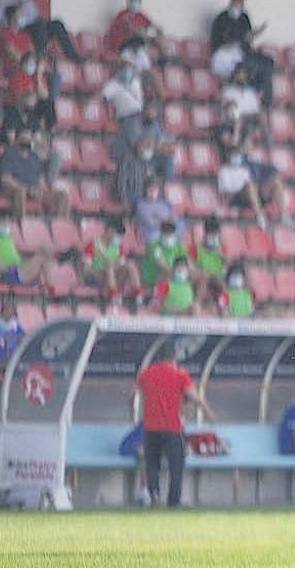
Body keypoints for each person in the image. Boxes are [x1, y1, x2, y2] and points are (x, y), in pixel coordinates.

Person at [134, 345, 216, 508]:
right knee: (176, 466)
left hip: (151, 427)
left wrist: (134, 414)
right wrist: (209, 413)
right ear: (174, 358)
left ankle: (154, 496)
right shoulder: (180, 375)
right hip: (173, 427)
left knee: (152, 465)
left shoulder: (146, 374)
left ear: (158, 358)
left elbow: (132, 395)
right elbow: (194, 397)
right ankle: (174, 502)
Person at [0, 210, 60, 292]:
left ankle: (49, 285)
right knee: (41, 258)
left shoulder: (9, 238)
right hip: (6, 274)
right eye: (4, 222)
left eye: (8, 222)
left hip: (19, 270)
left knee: (44, 250)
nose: (6, 224)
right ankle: (50, 287)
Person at [81, 217, 144, 307]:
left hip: (114, 277)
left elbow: (122, 265)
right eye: (118, 235)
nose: (119, 239)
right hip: (97, 277)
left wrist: (114, 266)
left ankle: (138, 295)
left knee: (130, 265)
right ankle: (113, 296)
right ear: (110, 231)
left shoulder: (118, 247)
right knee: (109, 267)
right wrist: (105, 268)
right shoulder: (92, 245)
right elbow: (86, 271)